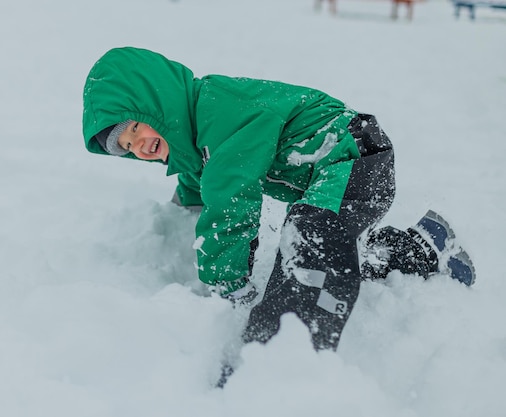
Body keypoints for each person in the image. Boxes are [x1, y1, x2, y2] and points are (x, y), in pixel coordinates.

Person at [82, 47, 474, 357]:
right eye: (129, 148)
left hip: (353, 154)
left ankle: (282, 354)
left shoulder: (216, 108)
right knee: (331, 245)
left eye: (135, 126)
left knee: (309, 242)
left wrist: (226, 276)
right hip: (333, 175)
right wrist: (176, 228)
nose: (140, 147)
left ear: (159, 99)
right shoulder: (194, 149)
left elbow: (229, 192)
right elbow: (196, 196)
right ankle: (424, 247)